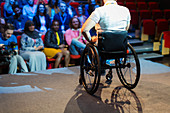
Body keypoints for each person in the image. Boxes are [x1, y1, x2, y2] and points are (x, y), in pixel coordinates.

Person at [81, 0, 131, 77]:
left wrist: (91, 40)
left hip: (104, 45)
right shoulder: (125, 10)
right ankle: (114, 60)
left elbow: (84, 30)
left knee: (90, 44)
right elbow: (126, 29)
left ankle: (93, 67)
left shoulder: (99, 11)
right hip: (120, 45)